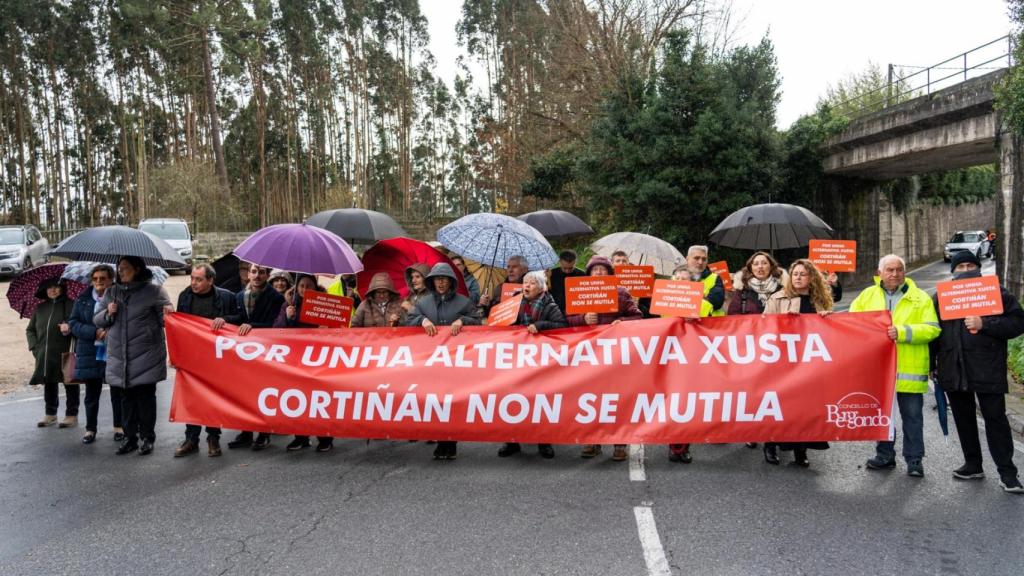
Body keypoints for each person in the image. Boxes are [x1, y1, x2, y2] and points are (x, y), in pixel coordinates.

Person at [931, 251, 1024, 493]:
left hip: (987, 368)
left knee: (996, 420)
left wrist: (985, 324)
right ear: (953, 270)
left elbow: (1018, 323)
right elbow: (932, 333)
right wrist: (932, 365)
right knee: (963, 418)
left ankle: (1008, 473)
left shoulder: (998, 293)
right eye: (960, 266)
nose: (965, 269)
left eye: (970, 264)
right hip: (953, 368)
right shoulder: (940, 298)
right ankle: (973, 464)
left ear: (978, 267)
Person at [850, 254, 940, 477]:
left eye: (899, 269)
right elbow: (850, 324)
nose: (895, 274)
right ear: (879, 272)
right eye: (889, 270)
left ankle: (914, 459)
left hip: (909, 370)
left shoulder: (920, 298)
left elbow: (932, 329)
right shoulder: (866, 296)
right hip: (879, 370)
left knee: (913, 418)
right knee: (883, 417)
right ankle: (884, 456)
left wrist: (902, 333)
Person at [94, 256, 173, 456]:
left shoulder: (155, 292)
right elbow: (97, 319)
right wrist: (107, 313)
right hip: (120, 357)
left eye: (124, 268)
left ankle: (147, 438)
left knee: (145, 399)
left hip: (146, 355)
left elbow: (166, 322)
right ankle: (130, 438)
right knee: (126, 400)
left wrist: (168, 314)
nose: (120, 272)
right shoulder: (112, 292)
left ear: (137, 269)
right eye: (119, 268)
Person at [567, 255, 643, 461]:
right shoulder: (579, 292)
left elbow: (638, 316)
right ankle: (592, 441)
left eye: (603, 270)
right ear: (589, 273)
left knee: (616, 399)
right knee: (591, 400)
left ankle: (620, 443)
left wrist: (622, 321)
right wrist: (582, 318)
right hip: (589, 356)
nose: (599, 273)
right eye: (595, 270)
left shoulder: (621, 292)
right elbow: (565, 319)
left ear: (610, 274)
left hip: (615, 356)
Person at [762, 259, 834, 467]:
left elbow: (831, 333)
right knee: (779, 406)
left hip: (809, 363)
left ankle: (800, 450)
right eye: (795, 274)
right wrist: (784, 320)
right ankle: (771, 444)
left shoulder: (820, 300)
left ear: (811, 277)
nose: (798, 277)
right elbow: (762, 328)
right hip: (782, 362)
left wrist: (828, 318)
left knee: (805, 407)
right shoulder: (777, 298)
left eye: (803, 274)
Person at [407, 263, 481, 460]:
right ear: (431, 282)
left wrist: (463, 321)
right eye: (437, 279)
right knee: (435, 402)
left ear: (451, 282)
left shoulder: (464, 302)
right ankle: (441, 441)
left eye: (444, 279)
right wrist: (421, 320)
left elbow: (479, 321)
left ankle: (451, 442)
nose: (440, 282)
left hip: (455, 362)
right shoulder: (423, 303)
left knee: (451, 402)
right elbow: (409, 319)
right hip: (431, 363)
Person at [214, 264, 285, 451]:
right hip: (245, 355)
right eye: (254, 272)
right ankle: (245, 432)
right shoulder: (239, 296)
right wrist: (225, 320)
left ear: (267, 275)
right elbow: (239, 317)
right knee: (245, 393)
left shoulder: (276, 298)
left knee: (263, 394)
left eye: (261, 272)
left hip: (266, 353)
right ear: (248, 274)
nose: (257, 275)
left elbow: (274, 324)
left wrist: (252, 326)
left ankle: (263, 433)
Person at [498, 271, 567, 460]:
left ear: (541, 288)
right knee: (512, 399)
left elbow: (562, 324)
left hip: (539, 363)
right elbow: (499, 322)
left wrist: (541, 325)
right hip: (516, 361)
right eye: (525, 282)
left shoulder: (549, 305)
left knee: (539, 401)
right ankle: (512, 441)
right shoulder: (513, 303)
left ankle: (544, 441)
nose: (526, 286)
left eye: (531, 283)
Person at [174, 264, 237, 457]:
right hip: (192, 357)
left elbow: (238, 318)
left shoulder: (226, 297)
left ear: (210, 280)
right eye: (192, 278)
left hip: (215, 358)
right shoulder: (184, 296)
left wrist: (224, 319)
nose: (194, 282)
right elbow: (179, 326)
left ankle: (213, 438)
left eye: (199, 279)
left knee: (211, 398)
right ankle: (191, 438)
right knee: (191, 399)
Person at [272, 274, 335, 452]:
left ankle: (325, 437)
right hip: (296, 360)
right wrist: (286, 316)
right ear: (296, 287)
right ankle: (301, 437)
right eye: (301, 286)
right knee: (299, 399)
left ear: (316, 288)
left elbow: (340, 331)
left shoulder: (325, 304)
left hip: (319, 359)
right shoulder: (289, 304)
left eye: (309, 286)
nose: (305, 290)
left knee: (319, 400)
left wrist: (327, 328)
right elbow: (276, 330)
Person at [68, 264, 123, 444]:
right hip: (89, 351)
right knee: (91, 394)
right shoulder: (83, 298)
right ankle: (90, 429)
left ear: (111, 280)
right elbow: (74, 323)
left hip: (113, 350)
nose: (99, 282)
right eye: (95, 278)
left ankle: (119, 427)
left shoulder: (119, 296)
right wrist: (94, 332)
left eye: (103, 278)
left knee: (117, 391)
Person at [27, 278, 76, 428]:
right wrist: (35, 348)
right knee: (49, 382)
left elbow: (79, 324)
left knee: (70, 383)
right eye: (49, 288)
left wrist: (70, 327)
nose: (52, 290)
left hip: (68, 350)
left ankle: (71, 414)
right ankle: (51, 413)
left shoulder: (72, 305)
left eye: (56, 287)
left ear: (62, 288)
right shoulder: (40, 308)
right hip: (45, 353)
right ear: (44, 290)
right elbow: (30, 330)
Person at [728, 251, 785, 316]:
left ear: (771, 266)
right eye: (756, 264)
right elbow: (733, 316)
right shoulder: (742, 291)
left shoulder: (781, 290)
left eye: (764, 263)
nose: (760, 266)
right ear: (751, 268)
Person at [682, 245, 726, 317]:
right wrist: (701, 297)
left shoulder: (715, 278)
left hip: (708, 325)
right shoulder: (676, 277)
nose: (700, 262)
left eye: (704, 259)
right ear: (687, 259)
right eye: (696, 258)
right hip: (681, 325)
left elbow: (716, 303)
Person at [548, 249, 585, 315]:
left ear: (575, 262)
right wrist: (548, 278)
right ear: (560, 262)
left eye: (570, 268)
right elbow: (548, 292)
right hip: (556, 310)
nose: (567, 271)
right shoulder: (551, 274)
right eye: (564, 268)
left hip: (576, 310)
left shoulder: (582, 275)